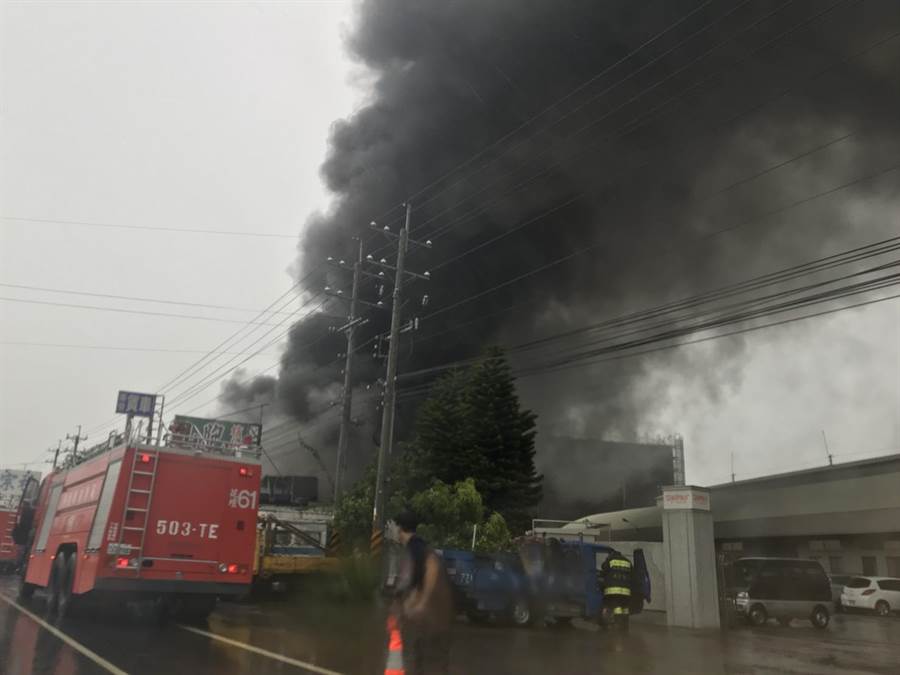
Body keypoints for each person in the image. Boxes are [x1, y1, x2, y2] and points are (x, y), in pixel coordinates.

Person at [392, 510, 453, 675]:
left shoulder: (416, 547)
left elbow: (430, 567)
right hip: (433, 619)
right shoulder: (418, 546)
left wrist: (421, 602)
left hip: (431, 619)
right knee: (424, 658)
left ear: (399, 528)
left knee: (428, 660)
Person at [600, 549, 633, 632]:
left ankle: (618, 626)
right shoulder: (627, 561)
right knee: (625, 608)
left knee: (616, 606)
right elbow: (632, 574)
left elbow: (603, 570)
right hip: (626, 591)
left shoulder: (610, 560)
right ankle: (625, 627)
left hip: (613, 590)